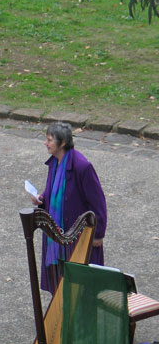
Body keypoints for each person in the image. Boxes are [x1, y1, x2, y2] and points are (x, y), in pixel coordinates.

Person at [31, 122, 107, 294]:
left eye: (49, 140)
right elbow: (54, 192)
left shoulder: (82, 166)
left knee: (83, 286)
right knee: (60, 281)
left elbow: (98, 202)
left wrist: (98, 234)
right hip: (59, 234)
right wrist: (41, 200)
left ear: (62, 143)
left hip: (77, 236)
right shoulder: (55, 163)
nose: (45, 143)